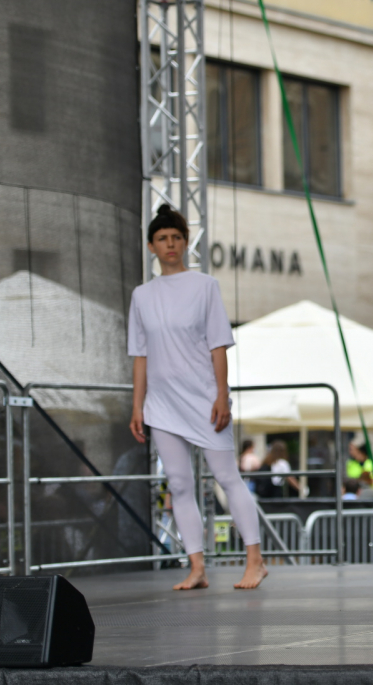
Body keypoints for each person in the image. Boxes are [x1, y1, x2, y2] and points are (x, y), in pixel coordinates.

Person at [129, 204, 267, 591]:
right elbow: (139, 355)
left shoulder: (205, 286)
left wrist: (222, 395)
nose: (170, 244)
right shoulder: (141, 296)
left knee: (227, 477)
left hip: (204, 398)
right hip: (161, 403)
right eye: (162, 239)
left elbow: (218, 345)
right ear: (151, 246)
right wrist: (137, 406)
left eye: (176, 237)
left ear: (186, 242)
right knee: (178, 483)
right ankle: (196, 567)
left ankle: (255, 561)